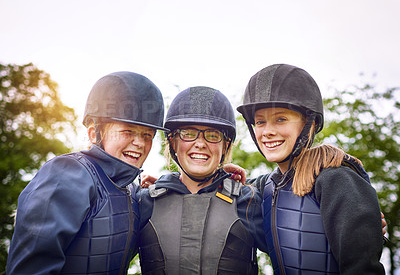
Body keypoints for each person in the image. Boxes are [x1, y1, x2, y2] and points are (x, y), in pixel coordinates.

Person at [6, 71, 166, 274]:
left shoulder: (133, 192)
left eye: (147, 135)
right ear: (93, 133)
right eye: (128, 131)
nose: (140, 143)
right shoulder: (69, 174)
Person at [237, 64, 385, 274]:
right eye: (260, 122)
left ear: (311, 123)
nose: (267, 131)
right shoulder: (266, 186)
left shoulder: (337, 179)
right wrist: (225, 174)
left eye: (281, 119)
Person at [138, 86, 267, 274]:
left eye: (213, 135)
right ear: (173, 142)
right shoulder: (144, 202)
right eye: (188, 133)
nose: (200, 143)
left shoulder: (248, 201)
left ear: (226, 145)